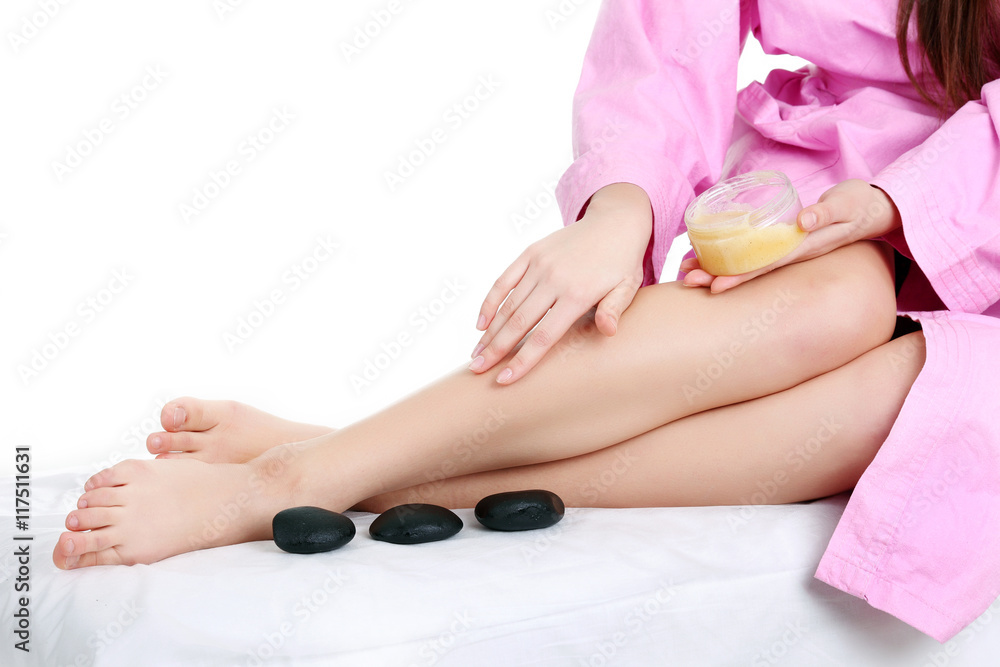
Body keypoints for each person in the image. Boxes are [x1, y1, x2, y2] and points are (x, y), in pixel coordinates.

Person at [52, 0, 1000, 643]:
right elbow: (673, 34)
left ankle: (341, 464)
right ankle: (295, 476)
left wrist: (904, 201)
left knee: (933, 398)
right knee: (839, 299)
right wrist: (625, 203)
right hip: (816, 196)